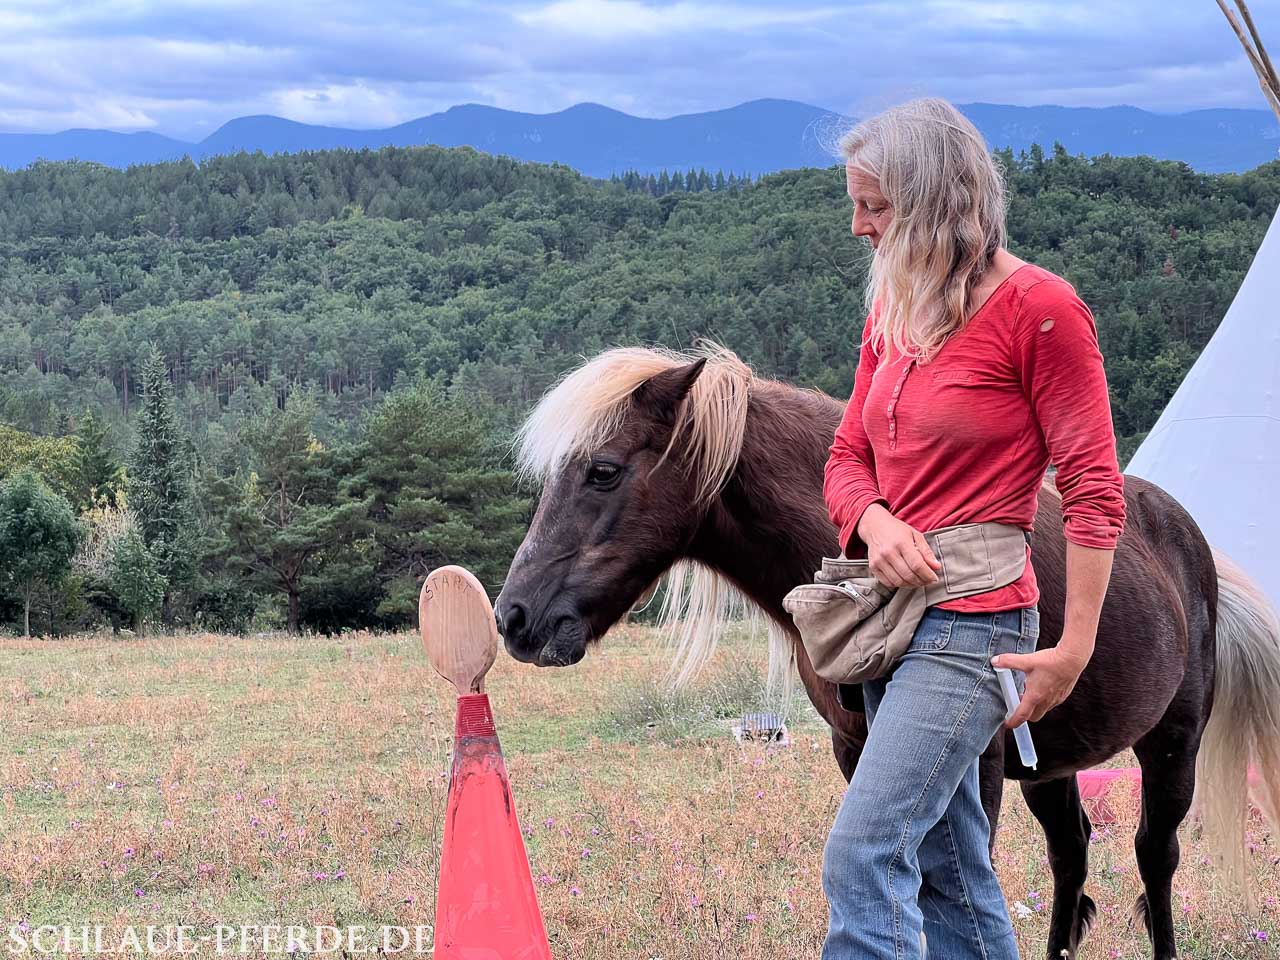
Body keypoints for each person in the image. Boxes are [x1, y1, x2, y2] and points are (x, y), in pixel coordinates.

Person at [820, 97, 1126, 959]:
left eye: (874, 206)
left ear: (932, 200)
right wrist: (873, 521)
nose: (857, 226)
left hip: (975, 624)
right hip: (888, 617)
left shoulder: (1042, 309)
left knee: (863, 850)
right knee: (954, 870)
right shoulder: (896, 310)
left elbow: (1097, 492)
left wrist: (1073, 650)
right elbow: (844, 456)